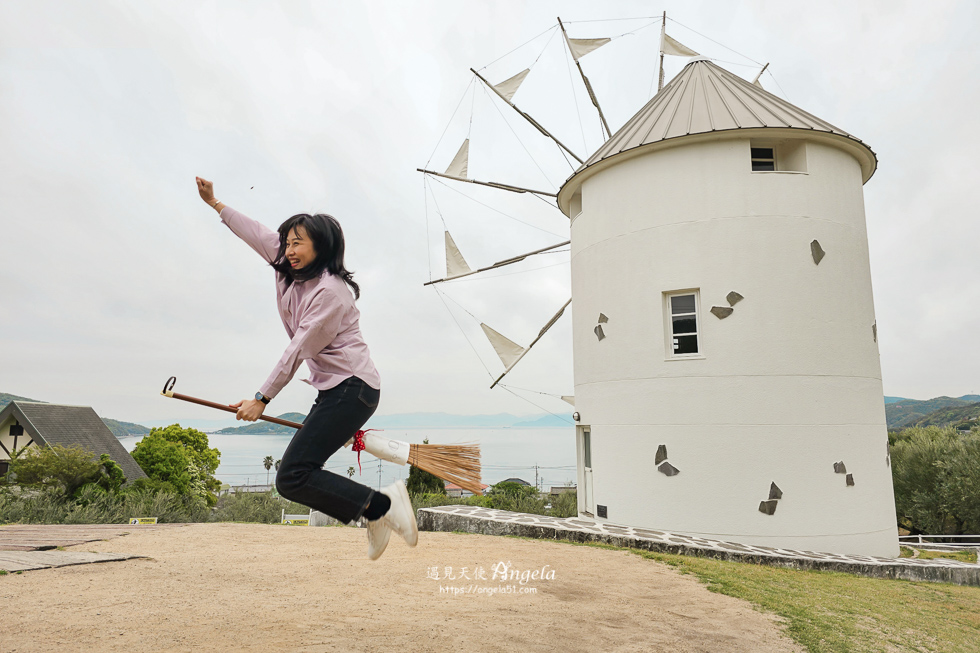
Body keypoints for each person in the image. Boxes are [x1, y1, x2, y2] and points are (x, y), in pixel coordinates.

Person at [195, 177, 417, 560]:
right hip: (337, 391)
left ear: (321, 247)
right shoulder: (286, 263)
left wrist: (261, 398)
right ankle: (375, 512)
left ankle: (382, 506)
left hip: (354, 389)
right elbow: (256, 233)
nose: (288, 249)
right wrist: (216, 203)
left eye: (298, 242)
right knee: (297, 474)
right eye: (287, 241)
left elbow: (297, 349)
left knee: (294, 475)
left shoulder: (330, 293)